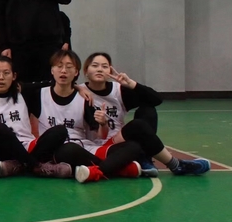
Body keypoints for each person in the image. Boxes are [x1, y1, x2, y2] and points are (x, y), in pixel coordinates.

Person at [78, 52, 210, 180]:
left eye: (105, 66)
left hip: (119, 139)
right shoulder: (79, 92)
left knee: (148, 110)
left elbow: (156, 99)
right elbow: (64, 88)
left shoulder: (118, 90)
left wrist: (131, 84)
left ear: (110, 71)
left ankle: (145, 158)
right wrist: (77, 87)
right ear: (86, 71)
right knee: (137, 126)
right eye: (95, 65)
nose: (100, 69)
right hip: (99, 145)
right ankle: (175, 164)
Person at [22, 50, 144, 181]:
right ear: (52, 70)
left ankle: (97, 171)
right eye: (59, 66)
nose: (63, 71)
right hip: (57, 150)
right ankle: (117, 169)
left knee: (134, 147)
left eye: (69, 67)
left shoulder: (85, 99)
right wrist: (78, 87)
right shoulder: (39, 95)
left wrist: (103, 123)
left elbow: (101, 136)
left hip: (85, 148)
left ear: (76, 72)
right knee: (68, 149)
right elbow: (18, 87)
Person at [0, 56, 69, 177]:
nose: (1, 77)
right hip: (2, 148)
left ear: (14, 76)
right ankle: (35, 166)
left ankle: (17, 166)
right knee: (0, 129)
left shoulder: (24, 93)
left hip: (28, 146)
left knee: (60, 130)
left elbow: (52, 84)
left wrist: (79, 88)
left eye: (6, 73)